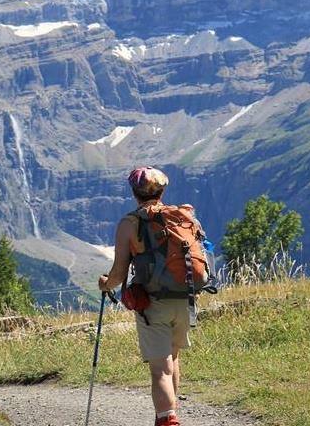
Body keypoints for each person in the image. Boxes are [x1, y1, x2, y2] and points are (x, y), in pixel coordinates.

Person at [98, 166, 196, 426]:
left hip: (152, 303)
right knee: (173, 359)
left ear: (134, 192)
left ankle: (167, 421)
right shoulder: (182, 216)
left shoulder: (130, 223)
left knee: (159, 369)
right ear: (162, 191)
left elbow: (119, 274)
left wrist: (106, 283)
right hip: (184, 298)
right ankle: (165, 417)